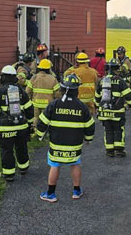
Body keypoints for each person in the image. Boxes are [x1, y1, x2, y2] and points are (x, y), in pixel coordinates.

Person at [36, 74, 96, 202]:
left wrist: (40, 135)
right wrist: (88, 139)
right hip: (74, 145)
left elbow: (42, 122)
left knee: (55, 165)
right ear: (77, 90)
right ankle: (76, 191)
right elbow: (90, 126)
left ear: (62, 88)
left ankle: (51, 194)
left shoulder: (54, 104)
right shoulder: (82, 107)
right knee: (75, 164)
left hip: (56, 144)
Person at [0, 66, 34, 182]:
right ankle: (23, 168)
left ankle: (9, 174)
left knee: (6, 150)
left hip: (5, 129)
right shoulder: (22, 92)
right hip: (22, 128)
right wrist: (29, 124)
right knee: (22, 147)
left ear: (2, 78)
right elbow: (29, 110)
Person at [95, 59, 131, 157]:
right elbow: (129, 96)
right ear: (117, 69)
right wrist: (129, 105)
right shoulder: (120, 81)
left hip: (104, 112)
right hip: (117, 113)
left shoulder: (102, 81)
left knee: (108, 130)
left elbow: (97, 97)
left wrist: (97, 106)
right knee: (118, 130)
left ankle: (109, 150)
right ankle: (119, 150)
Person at [26, 59, 61, 127]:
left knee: (35, 118)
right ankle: (45, 133)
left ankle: (35, 131)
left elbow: (28, 91)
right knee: (46, 119)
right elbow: (57, 94)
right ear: (49, 68)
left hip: (35, 104)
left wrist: (30, 100)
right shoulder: (53, 79)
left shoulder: (34, 77)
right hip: (48, 105)